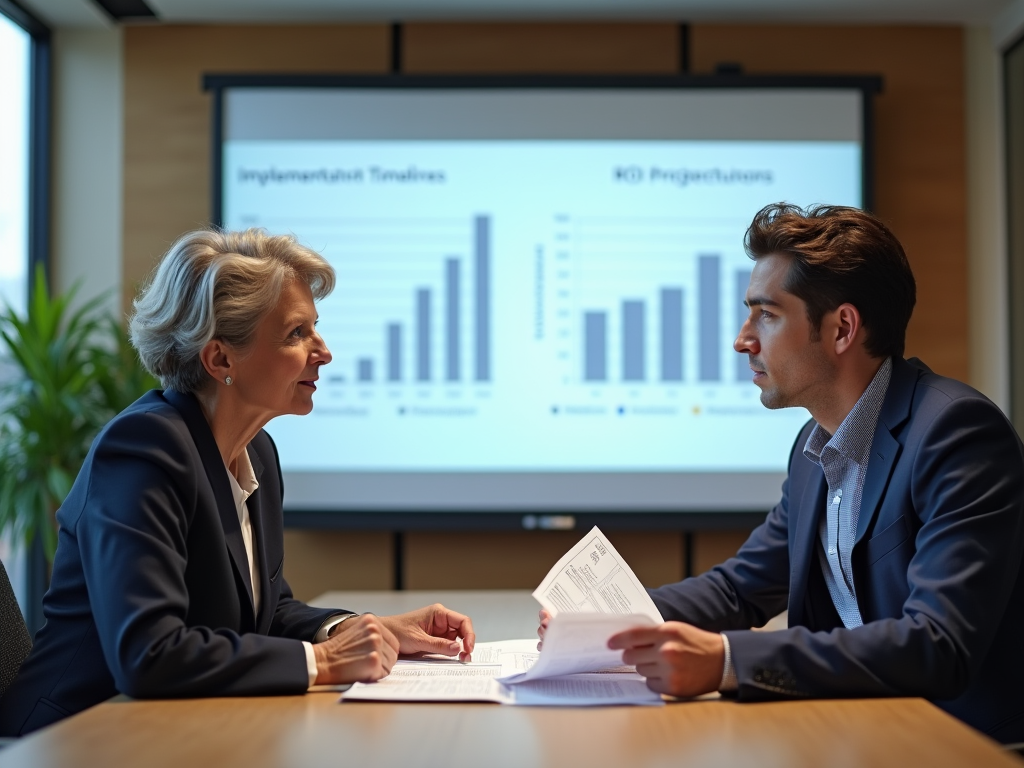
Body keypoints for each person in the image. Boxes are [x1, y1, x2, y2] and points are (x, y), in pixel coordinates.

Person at [540, 204, 1024, 744]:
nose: (743, 339)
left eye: (766, 315)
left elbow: (938, 644)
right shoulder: (813, 449)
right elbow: (740, 590)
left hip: (965, 744)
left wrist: (726, 660)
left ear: (842, 328)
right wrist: (606, 623)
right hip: (863, 733)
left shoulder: (955, 432)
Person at [0, 229, 475, 736]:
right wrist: (325, 662)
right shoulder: (142, 451)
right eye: (297, 333)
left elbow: (263, 613)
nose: (324, 352)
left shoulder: (256, 452)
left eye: (316, 328)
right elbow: (149, 653)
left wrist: (364, 630)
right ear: (221, 359)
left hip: (169, 732)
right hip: (70, 739)